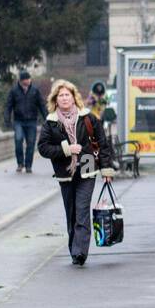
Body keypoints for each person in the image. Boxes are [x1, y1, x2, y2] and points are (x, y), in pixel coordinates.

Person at [37, 80, 117, 266]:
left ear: (74, 98)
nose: (65, 98)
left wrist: (106, 169)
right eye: (61, 95)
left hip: (88, 168)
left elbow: (102, 144)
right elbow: (43, 148)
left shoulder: (88, 118)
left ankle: (80, 252)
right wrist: (66, 149)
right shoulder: (50, 122)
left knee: (82, 210)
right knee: (71, 212)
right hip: (64, 171)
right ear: (55, 100)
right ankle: (74, 247)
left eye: (68, 95)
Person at [5, 70, 46, 174]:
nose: (28, 81)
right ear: (21, 80)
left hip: (32, 121)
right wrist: (7, 119)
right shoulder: (14, 91)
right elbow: (8, 106)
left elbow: (41, 105)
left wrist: (47, 118)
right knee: (18, 141)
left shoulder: (35, 90)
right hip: (19, 121)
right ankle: (20, 164)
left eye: (29, 79)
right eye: (25, 79)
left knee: (31, 143)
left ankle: (28, 166)